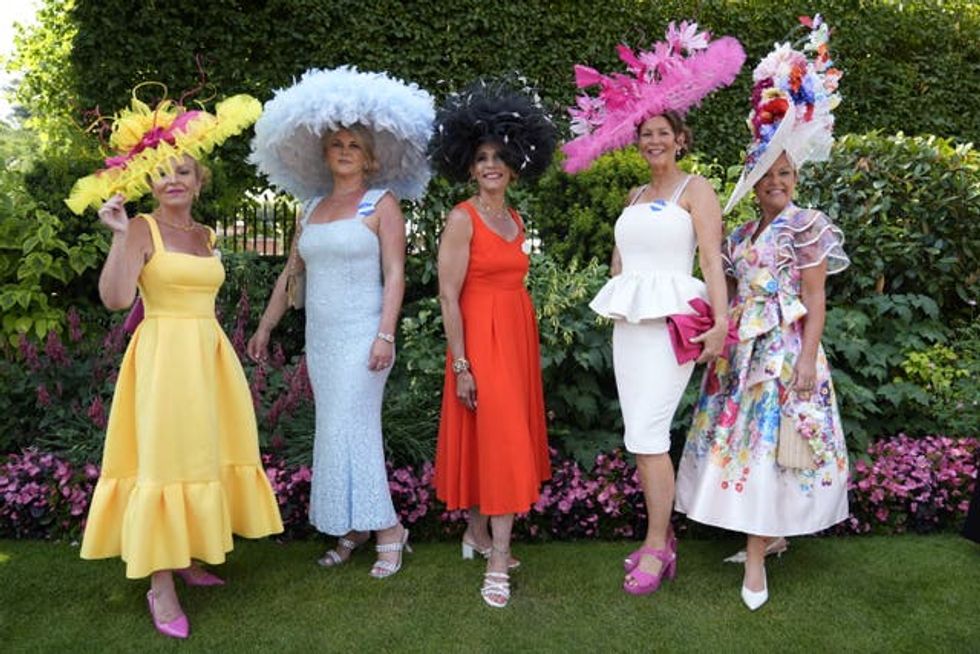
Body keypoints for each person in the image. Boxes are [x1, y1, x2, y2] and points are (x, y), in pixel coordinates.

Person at [69, 92, 284, 639]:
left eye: (183, 171)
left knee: (201, 454)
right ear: (150, 183)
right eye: (163, 173)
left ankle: (187, 556)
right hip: (163, 361)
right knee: (165, 459)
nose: (173, 181)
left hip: (210, 358)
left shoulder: (206, 236)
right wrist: (118, 237)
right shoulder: (141, 228)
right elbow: (117, 299)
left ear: (198, 179)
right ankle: (159, 585)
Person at [562, 22, 745, 596]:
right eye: (645, 134)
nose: (653, 141)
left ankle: (656, 545)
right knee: (640, 438)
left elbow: (712, 262)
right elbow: (621, 265)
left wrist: (719, 325)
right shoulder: (634, 197)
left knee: (648, 435)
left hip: (673, 328)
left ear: (680, 138)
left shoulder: (697, 190)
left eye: (662, 132)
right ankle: (660, 540)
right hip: (631, 327)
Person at [675, 15, 850, 611]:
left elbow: (817, 299)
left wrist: (806, 359)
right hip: (739, 354)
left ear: (795, 175)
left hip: (784, 355)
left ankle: (756, 558)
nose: (776, 181)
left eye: (785, 172)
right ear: (752, 181)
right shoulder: (740, 231)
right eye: (767, 173)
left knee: (771, 448)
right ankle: (766, 536)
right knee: (741, 448)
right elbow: (718, 284)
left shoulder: (809, 228)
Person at [247, 67, 434, 578]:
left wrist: (385, 335)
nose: (346, 149)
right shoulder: (310, 208)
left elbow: (396, 274)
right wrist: (264, 327)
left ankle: (390, 529)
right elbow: (292, 272)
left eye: (355, 143)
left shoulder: (383, 203)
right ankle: (352, 526)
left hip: (365, 336)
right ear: (325, 155)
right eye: (337, 143)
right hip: (322, 340)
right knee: (335, 430)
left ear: (369, 156)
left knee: (356, 429)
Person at [430, 81, 556, 608]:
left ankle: (477, 537)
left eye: (500, 157)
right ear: (468, 165)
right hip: (480, 342)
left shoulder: (514, 218)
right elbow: (447, 294)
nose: (490, 166)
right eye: (481, 158)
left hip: (516, 336)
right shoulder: (462, 218)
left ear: (514, 165)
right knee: (501, 441)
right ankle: (498, 560)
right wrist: (462, 363)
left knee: (497, 437)